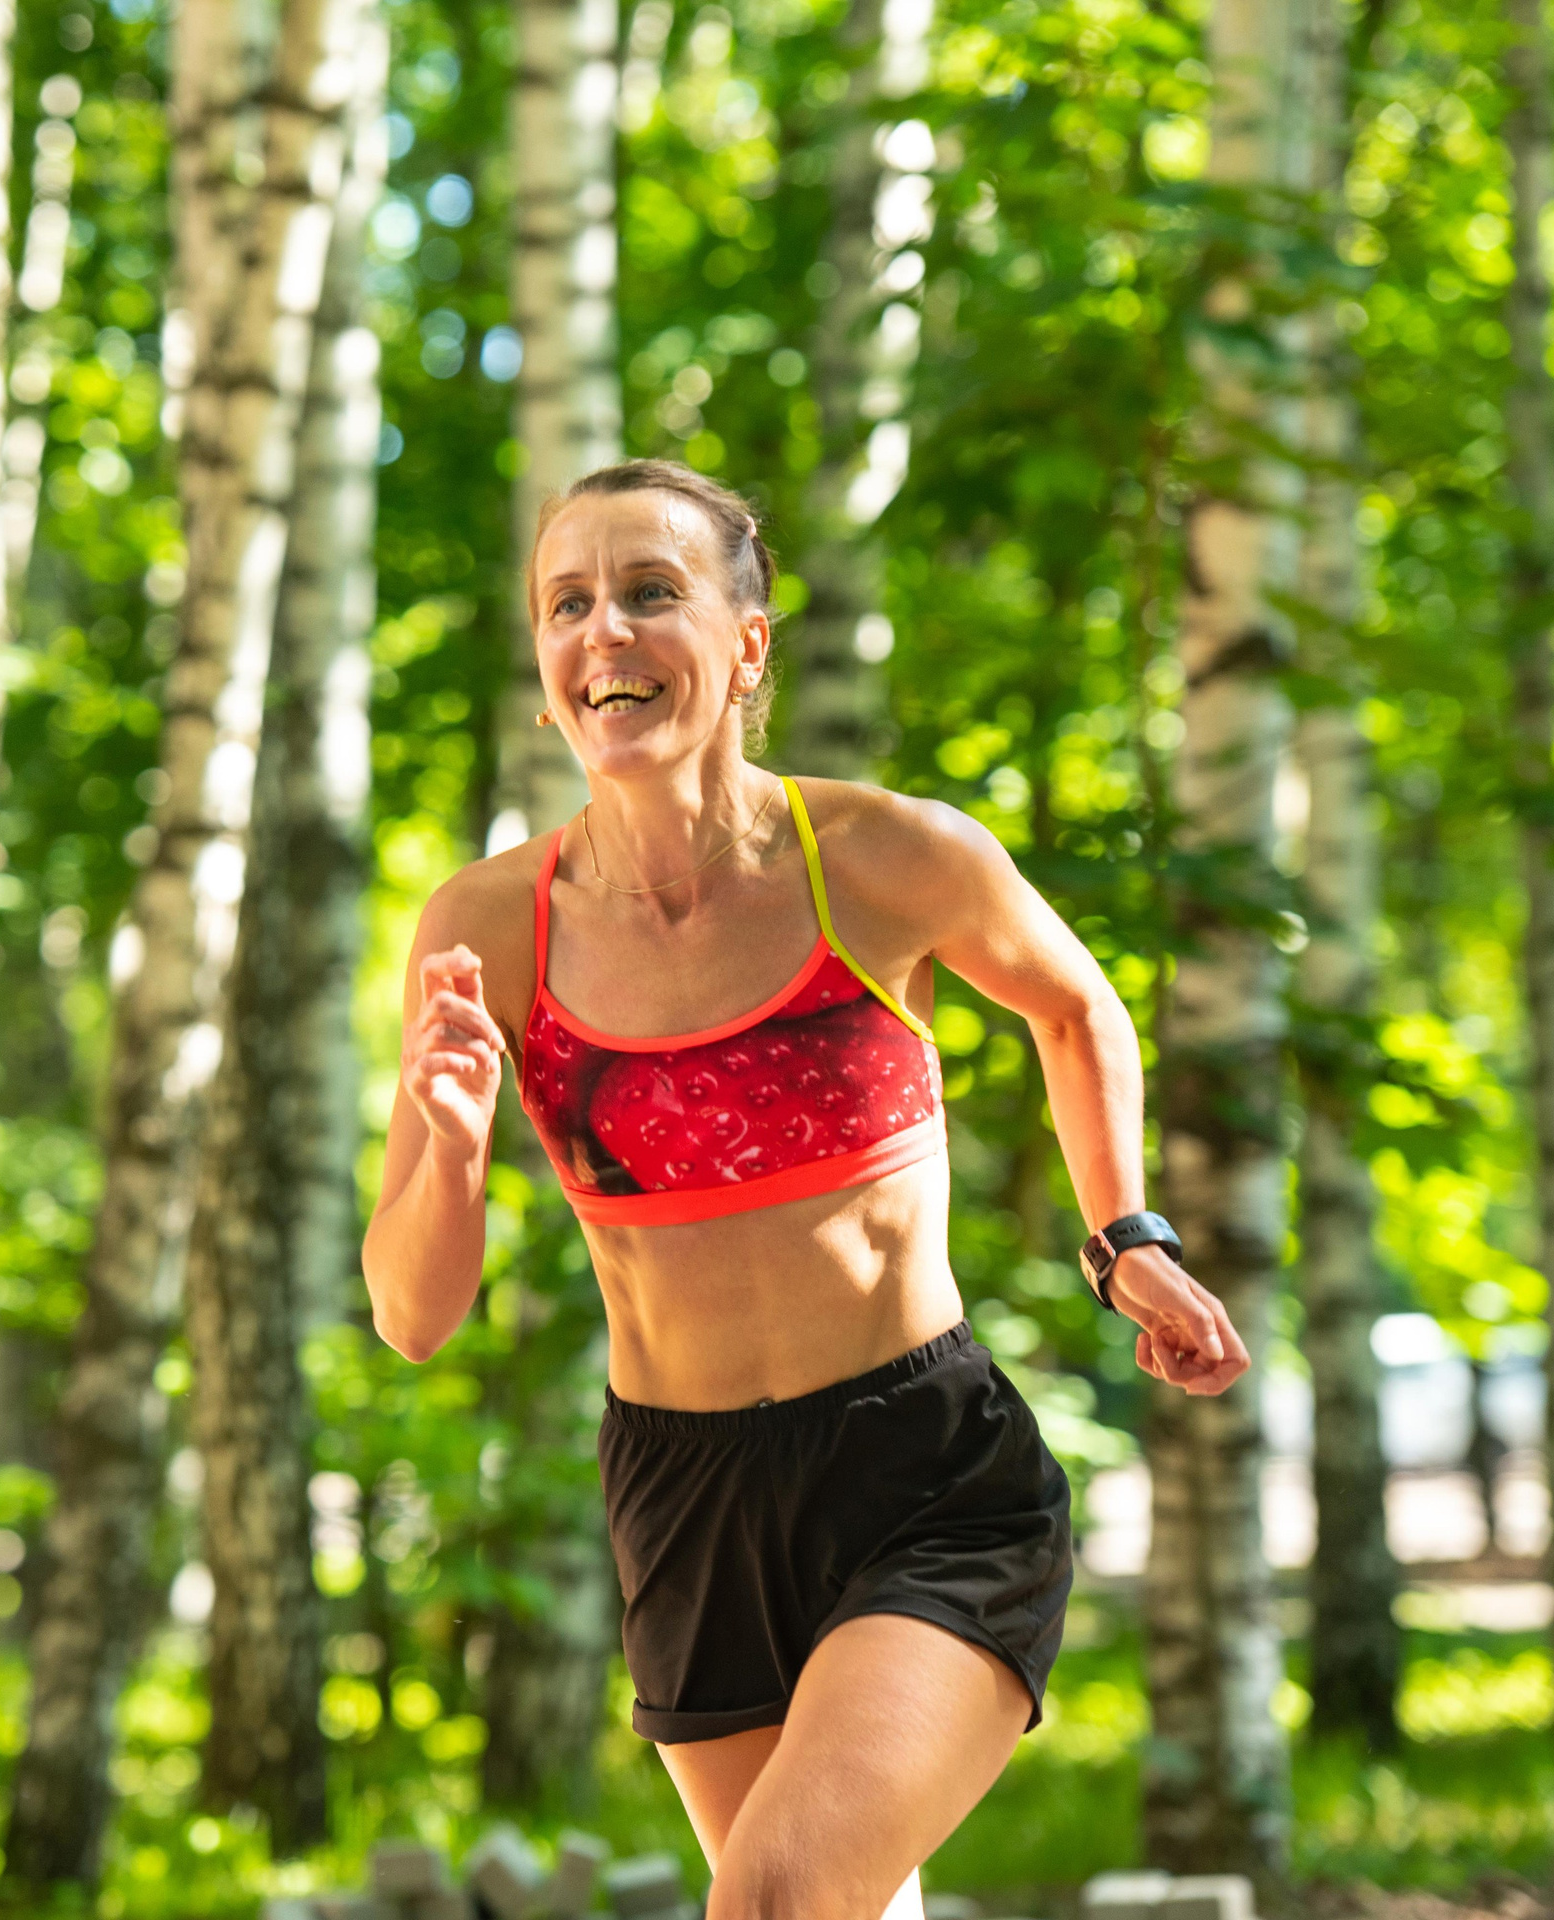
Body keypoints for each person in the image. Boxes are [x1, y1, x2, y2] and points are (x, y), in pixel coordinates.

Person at [361, 460, 1251, 1917]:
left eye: (653, 592)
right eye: (568, 604)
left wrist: (1126, 1237)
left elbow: (1076, 1007)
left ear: (748, 642)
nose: (608, 634)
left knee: (774, 1901)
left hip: (925, 1475)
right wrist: (451, 1144)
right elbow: (411, 1314)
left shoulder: (883, 857)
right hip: (685, 1501)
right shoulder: (485, 926)